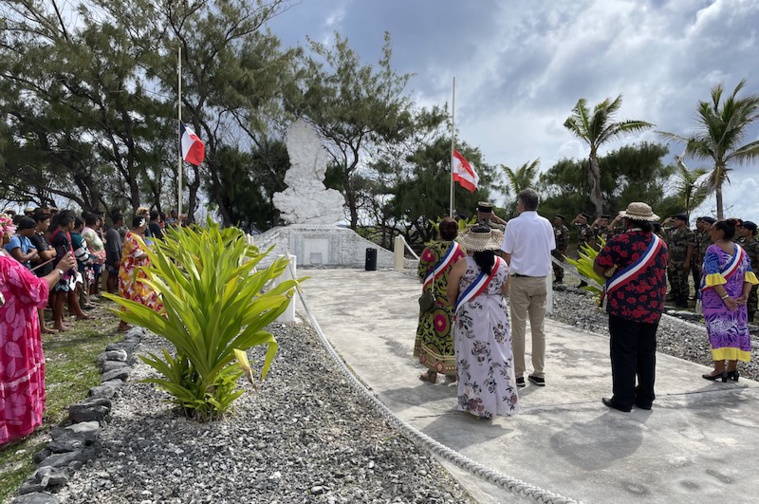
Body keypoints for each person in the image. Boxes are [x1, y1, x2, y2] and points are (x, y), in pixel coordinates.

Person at [1, 224, 76, 446]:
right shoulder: (4, 262)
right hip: (11, 333)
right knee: (11, 373)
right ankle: (15, 426)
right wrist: (60, 269)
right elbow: (35, 290)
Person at [593, 202, 669, 412]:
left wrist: (611, 273)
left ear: (627, 220)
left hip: (625, 305)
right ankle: (645, 398)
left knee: (624, 351)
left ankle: (623, 399)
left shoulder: (621, 241)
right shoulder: (661, 244)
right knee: (646, 352)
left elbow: (599, 265)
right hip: (653, 305)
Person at [447, 225, 519, 419]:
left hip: (471, 314)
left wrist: (458, 308)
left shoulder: (463, 264)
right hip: (497, 313)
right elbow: (505, 290)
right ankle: (501, 402)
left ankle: (477, 405)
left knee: (474, 358)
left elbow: (451, 293)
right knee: (499, 356)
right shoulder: (502, 264)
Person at [501, 188, 555, 387]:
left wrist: (504, 279)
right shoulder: (546, 223)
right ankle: (539, 372)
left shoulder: (514, 224)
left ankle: (518, 374)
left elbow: (506, 255)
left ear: (522, 204)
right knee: (538, 328)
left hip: (520, 280)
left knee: (518, 327)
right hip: (541, 280)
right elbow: (549, 248)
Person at [699, 219, 758, 382]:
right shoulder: (741, 251)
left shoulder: (713, 250)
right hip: (738, 300)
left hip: (717, 299)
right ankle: (732, 368)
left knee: (718, 331)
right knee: (735, 331)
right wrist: (745, 295)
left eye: (712, 230)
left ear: (720, 232)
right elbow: (748, 276)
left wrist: (725, 297)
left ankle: (719, 369)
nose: (709, 232)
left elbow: (712, 275)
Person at [414, 217, 466, 383]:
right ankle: (451, 371)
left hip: (434, 300)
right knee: (451, 333)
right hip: (453, 299)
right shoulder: (461, 251)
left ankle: (431, 372)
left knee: (432, 334)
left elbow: (422, 275)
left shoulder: (430, 250)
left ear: (439, 232)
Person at [117, 215, 163, 331]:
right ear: (142, 225)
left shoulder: (136, 236)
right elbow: (138, 255)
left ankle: (152, 319)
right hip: (131, 275)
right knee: (132, 298)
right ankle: (124, 323)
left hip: (138, 274)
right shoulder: (131, 237)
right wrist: (151, 251)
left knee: (144, 296)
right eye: (146, 224)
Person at [29, 211, 58, 334]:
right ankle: (42, 325)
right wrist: (50, 252)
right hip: (40, 271)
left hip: (48, 269)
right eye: (46, 222)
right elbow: (46, 254)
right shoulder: (34, 237)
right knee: (40, 298)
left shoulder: (42, 236)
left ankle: (44, 323)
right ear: (39, 222)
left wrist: (50, 252)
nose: (48, 224)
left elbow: (53, 251)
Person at [663, 213, 695, 308]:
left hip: (683, 260)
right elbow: (670, 246)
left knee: (683, 282)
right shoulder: (673, 232)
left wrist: (687, 261)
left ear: (683, 221)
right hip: (674, 261)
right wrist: (669, 260)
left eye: (676, 220)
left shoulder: (688, 232)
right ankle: (677, 298)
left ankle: (683, 300)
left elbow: (690, 247)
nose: (674, 222)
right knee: (674, 281)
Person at [740, 221, 759, 322]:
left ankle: (750, 316)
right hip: (741, 273)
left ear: (750, 231)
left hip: (753, 273)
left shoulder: (755, 244)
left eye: (744, 229)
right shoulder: (741, 243)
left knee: (751, 294)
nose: (742, 230)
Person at [571, 212, 593, 287]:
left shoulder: (588, 228)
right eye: (581, 218)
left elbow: (591, 239)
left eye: (583, 219)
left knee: (584, 266)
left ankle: (585, 282)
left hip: (585, 249)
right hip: (579, 249)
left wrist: (590, 250)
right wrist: (576, 219)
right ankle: (582, 281)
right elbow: (572, 224)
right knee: (579, 265)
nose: (581, 220)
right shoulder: (580, 226)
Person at [105, 213, 124, 294]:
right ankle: (111, 292)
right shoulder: (112, 232)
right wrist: (117, 259)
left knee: (114, 275)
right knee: (111, 275)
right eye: (123, 220)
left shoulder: (115, 231)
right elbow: (114, 246)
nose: (124, 221)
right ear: (119, 221)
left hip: (116, 257)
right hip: (113, 258)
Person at [551, 214, 569, 284]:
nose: (555, 221)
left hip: (560, 249)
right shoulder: (554, 228)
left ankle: (560, 278)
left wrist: (563, 251)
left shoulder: (564, 229)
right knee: (554, 264)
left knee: (560, 264)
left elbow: (566, 240)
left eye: (557, 219)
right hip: (554, 249)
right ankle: (557, 278)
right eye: (555, 219)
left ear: (561, 221)